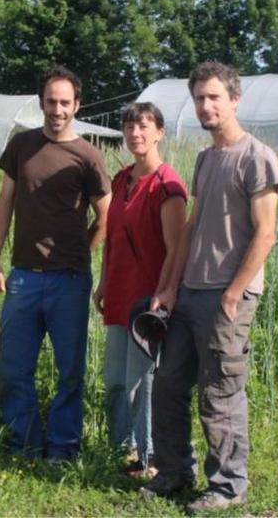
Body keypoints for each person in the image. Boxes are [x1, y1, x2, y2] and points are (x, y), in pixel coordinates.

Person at [139, 61, 278, 515]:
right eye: (199, 97)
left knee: (219, 392)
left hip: (227, 295)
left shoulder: (257, 157)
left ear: (234, 100)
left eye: (214, 97)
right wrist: (168, 286)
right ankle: (175, 472)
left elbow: (265, 234)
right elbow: (191, 229)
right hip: (190, 292)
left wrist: (234, 293)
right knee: (168, 384)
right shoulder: (205, 159)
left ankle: (227, 485)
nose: (206, 105)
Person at [0, 65, 111, 462]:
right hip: (23, 276)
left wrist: (83, 251)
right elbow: (4, 204)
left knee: (69, 371)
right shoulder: (21, 146)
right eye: (50, 101)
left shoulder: (89, 156)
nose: (56, 109)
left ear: (77, 105)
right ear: (41, 102)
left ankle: (62, 447)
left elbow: (106, 216)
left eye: (64, 102)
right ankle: (24, 443)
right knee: (12, 370)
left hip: (69, 280)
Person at [92, 102, 186, 477]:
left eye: (144, 126)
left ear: (159, 132)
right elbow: (112, 236)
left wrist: (164, 294)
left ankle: (148, 458)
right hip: (118, 291)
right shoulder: (122, 179)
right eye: (130, 126)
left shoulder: (168, 186)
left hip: (147, 300)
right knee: (114, 379)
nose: (136, 133)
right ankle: (121, 450)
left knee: (140, 381)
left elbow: (177, 249)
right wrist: (103, 280)